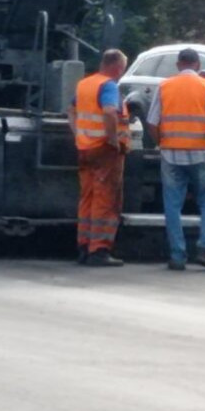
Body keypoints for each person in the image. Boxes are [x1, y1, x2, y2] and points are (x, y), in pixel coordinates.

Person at [146, 48, 205, 271]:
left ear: (179, 64)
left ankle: (177, 256)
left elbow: (152, 123)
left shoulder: (164, 87)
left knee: (172, 204)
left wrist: (162, 142)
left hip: (171, 153)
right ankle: (204, 248)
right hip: (201, 152)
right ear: (198, 65)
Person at [67, 49, 130, 267]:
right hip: (104, 150)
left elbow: (71, 110)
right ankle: (99, 249)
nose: (123, 72)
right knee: (105, 199)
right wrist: (113, 140)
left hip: (84, 148)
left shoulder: (84, 84)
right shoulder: (109, 85)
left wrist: (78, 134)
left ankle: (84, 246)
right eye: (123, 67)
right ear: (116, 66)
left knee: (87, 197)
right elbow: (110, 112)